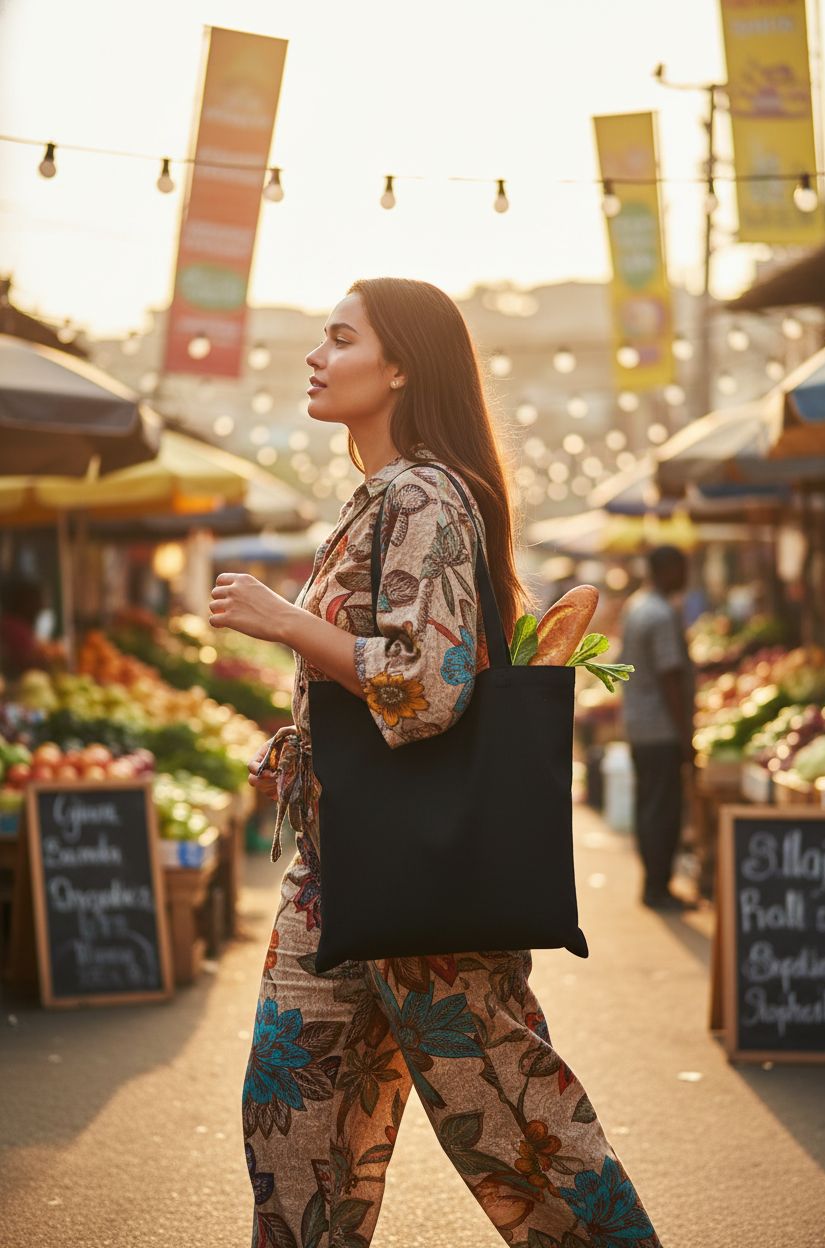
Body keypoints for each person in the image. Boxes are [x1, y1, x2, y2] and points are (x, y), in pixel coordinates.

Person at [209, 278, 662, 1248]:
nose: (314, 356)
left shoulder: (423, 495)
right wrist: (301, 748)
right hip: (340, 876)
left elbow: (431, 682)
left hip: (421, 889)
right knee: (294, 1132)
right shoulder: (382, 496)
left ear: (402, 365)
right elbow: (379, 681)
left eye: (339, 338)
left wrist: (283, 622)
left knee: (521, 1137)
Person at [619, 546, 696, 911]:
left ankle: (653, 884)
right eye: (682, 568)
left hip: (639, 724)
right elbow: (670, 679)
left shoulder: (638, 606)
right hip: (661, 729)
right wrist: (685, 736)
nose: (686, 576)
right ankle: (658, 888)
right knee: (663, 811)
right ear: (667, 570)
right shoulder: (662, 614)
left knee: (649, 806)